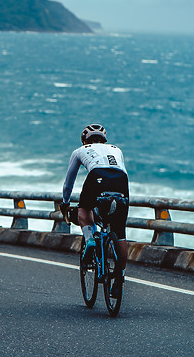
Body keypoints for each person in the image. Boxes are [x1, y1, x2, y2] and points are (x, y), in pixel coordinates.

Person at [60, 124, 129, 298]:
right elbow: (121, 171)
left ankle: (90, 240)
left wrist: (65, 202)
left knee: (84, 208)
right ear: (105, 139)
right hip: (121, 181)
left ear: (84, 140)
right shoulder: (116, 149)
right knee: (119, 233)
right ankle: (119, 279)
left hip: (97, 176)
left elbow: (69, 181)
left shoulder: (79, 151)